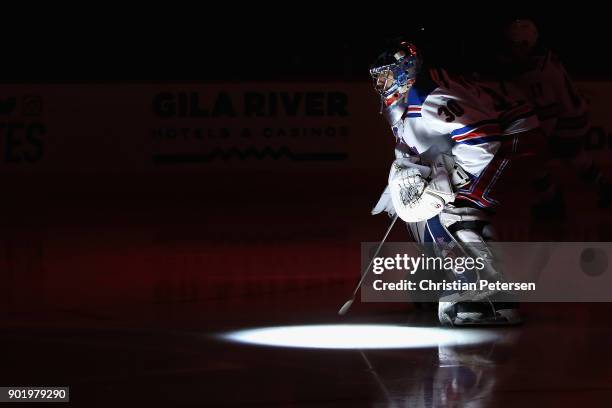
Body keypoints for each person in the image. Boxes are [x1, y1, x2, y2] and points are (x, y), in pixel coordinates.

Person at [370, 39, 541, 326]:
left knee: (455, 206)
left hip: (513, 140)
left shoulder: (427, 99)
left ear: (404, 72)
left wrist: (452, 180)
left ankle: (490, 294)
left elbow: (482, 139)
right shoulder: (406, 100)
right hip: (496, 139)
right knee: (416, 210)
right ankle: (442, 271)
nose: (381, 82)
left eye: (386, 74)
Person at [494, 18, 611, 219]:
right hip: (576, 117)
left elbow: (548, 114)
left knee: (532, 162)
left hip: (566, 123)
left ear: (524, 45)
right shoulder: (544, 58)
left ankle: (552, 204)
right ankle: (604, 190)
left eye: (514, 45)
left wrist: (539, 141)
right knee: (576, 158)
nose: (511, 50)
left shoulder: (535, 74)